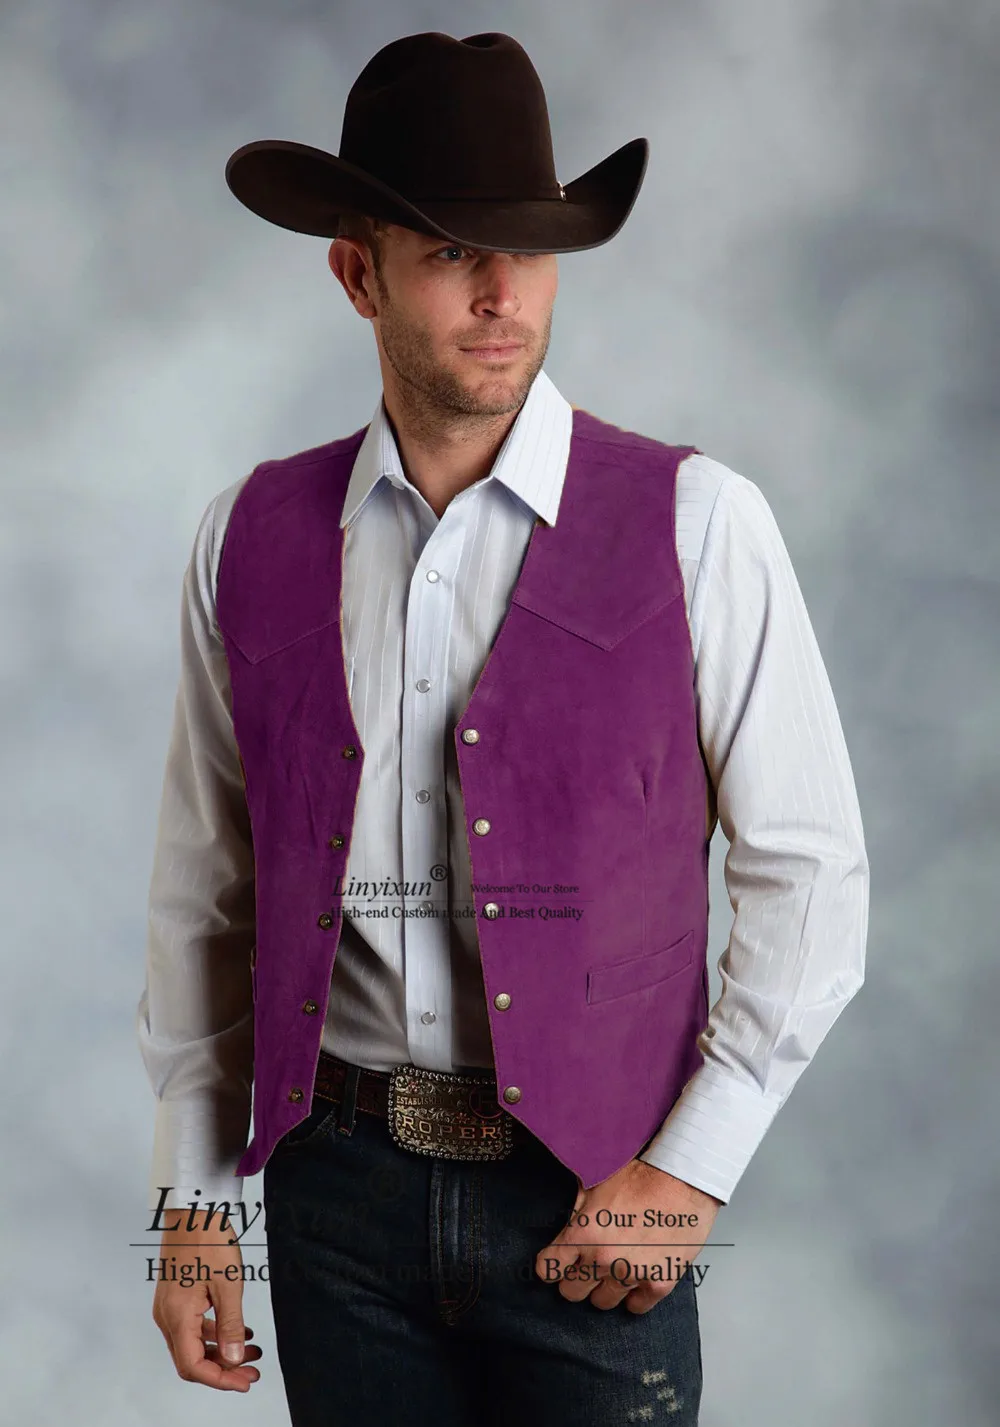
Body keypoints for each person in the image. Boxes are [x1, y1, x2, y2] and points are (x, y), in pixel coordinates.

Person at [136, 30, 870, 1427]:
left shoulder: (699, 524)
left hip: (589, 1201)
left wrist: (692, 1167)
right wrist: (195, 1199)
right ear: (357, 275)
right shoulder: (251, 537)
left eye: (530, 252)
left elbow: (811, 871)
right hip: (333, 1202)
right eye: (451, 252)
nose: (501, 295)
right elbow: (205, 895)